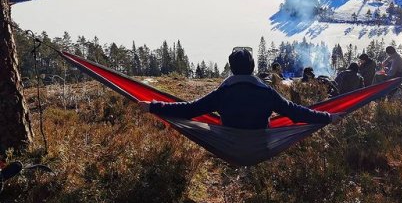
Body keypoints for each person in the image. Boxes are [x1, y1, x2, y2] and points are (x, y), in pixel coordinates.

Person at [138, 49, 338, 129]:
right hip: (260, 143)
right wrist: (327, 117)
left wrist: (153, 106)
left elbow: (189, 109)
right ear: (252, 68)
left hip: (228, 141)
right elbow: (295, 112)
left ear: (232, 69)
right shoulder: (266, 93)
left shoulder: (222, 93)